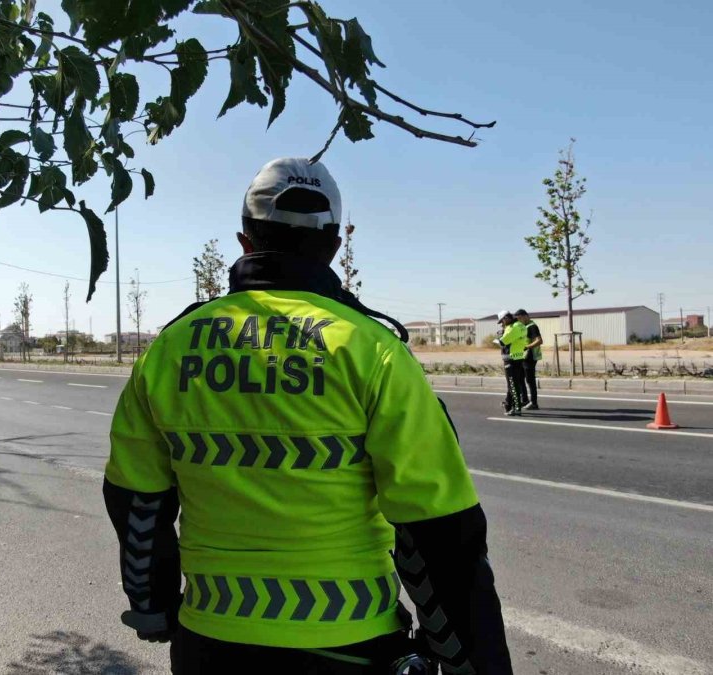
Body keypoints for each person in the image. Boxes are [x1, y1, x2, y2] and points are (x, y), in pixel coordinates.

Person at [103, 157, 513, 675]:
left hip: (210, 642)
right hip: (347, 642)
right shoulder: (374, 350)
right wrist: (466, 660)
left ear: (245, 239)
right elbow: (437, 532)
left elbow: (138, 502)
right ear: (336, 246)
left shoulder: (169, 348)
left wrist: (153, 606)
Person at [495, 311, 527, 416]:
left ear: (506, 318)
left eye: (502, 321)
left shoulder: (512, 327)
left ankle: (516, 408)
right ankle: (510, 405)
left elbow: (502, 342)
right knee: (515, 383)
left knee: (512, 385)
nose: (502, 324)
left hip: (510, 359)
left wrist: (497, 338)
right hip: (519, 357)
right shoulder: (521, 325)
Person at [514, 309, 543, 410]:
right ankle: (524, 400)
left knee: (530, 380)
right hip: (523, 356)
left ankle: (534, 403)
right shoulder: (524, 326)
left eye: (519, 318)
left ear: (525, 316)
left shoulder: (532, 326)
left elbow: (539, 341)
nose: (518, 321)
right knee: (520, 378)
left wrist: (527, 347)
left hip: (530, 357)